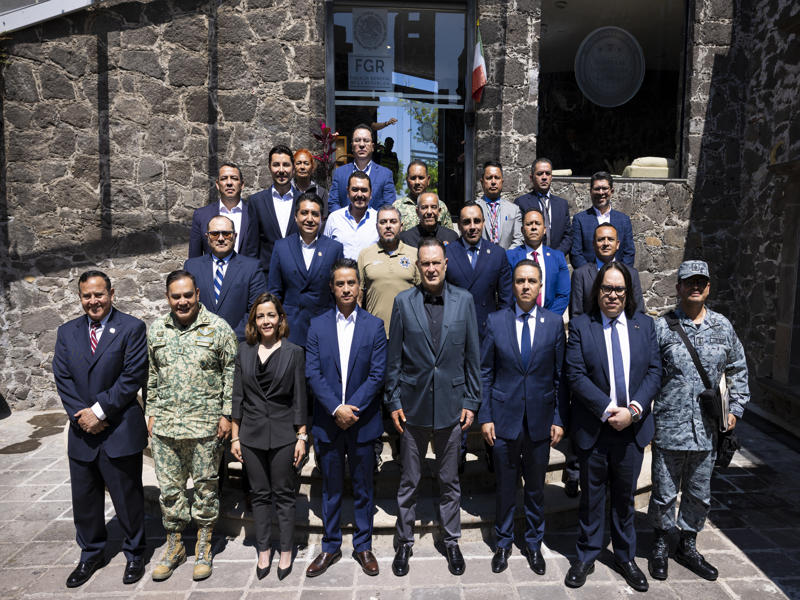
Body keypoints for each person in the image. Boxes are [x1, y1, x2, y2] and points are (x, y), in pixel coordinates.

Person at [647, 261, 749, 582]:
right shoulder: (662, 328)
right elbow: (647, 373)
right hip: (669, 427)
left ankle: (687, 544)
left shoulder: (722, 327)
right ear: (678, 287)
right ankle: (661, 542)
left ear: (708, 288)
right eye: (689, 281)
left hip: (707, 430)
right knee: (663, 492)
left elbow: (738, 368)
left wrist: (735, 409)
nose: (695, 286)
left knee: (698, 493)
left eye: (700, 282)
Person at [385, 238, 481, 577]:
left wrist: (471, 400)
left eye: (436, 262)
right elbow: (394, 358)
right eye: (425, 263)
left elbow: (472, 356)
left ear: (445, 264)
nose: (431, 268)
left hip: (452, 406)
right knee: (409, 480)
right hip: (413, 407)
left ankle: (451, 540)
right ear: (418, 266)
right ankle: (404, 541)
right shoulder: (403, 302)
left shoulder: (464, 300)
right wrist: (393, 400)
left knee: (449, 479)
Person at [564, 262, 661, 592]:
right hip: (595, 427)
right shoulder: (581, 325)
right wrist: (607, 411)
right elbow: (575, 374)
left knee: (624, 498)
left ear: (628, 292)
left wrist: (633, 411)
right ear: (598, 291)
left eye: (619, 289)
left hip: (632, 429)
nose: (613, 295)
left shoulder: (644, 326)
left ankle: (625, 556)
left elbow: (654, 372)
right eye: (607, 288)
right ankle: (587, 555)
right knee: (591, 498)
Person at [52, 270, 148, 588]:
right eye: (87, 296)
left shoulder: (132, 328)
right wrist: (82, 416)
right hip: (82, 431)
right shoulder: (67, 332)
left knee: (127, 497)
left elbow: (132, 376)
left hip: (118, 427)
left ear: (111, 293)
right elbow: (62, 377)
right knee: (85, 499)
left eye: (99, 294)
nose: (93, 301)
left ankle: (135, 553)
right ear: (80, 297)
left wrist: (99, 411)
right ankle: (91, 554)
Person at [146, 270, 238, 582]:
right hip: (166, 428)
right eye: (176, 296)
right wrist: (151, 412)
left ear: (198, 294)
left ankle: (203, 546)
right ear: (167, 297)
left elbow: (231, 374)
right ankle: (174, 547)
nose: (182, 301)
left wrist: (226, 415)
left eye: (188, 295)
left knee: (205, 490)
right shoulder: (157, 330)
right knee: (170, 491)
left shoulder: (219, 329)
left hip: (205, 428)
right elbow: (152, 374)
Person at [479, 259, 568, 575]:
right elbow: (485, 372)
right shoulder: (496, 321)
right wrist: (486, 416)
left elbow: (560, 377)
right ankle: (503, 542)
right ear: (513, 286)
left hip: (540, 421)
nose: (526, 286)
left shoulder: (553, 324)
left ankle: (533, 543)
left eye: (531, 281)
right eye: (520, 281)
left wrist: (558, 418)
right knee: (505, 486)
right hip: (504, 419)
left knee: (535, 489)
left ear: (540, 285)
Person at [305, 259, 388, 578]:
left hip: (362, 421)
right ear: (332, 287)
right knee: (331, 488)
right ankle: (330, 546)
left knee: (364, 486)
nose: (346, 288)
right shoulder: (317, 325)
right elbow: (312, 372)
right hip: (328, 422)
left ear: (359, 287)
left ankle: (363, 546)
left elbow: (377, 374)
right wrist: (334, 408)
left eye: (351, 283)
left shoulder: (374, 326)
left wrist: (351, 408)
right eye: (340, 283)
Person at [230, 293, 308, 581]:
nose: (266, 321)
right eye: (260, 316)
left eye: (271, 315)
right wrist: (235, 437)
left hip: (284, 434)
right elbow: (237, 396)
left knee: (284, 495)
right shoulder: (243, 351)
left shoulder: (294, 352)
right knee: (259, 495)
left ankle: (286, 550)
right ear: (254, 321)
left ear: (280, 319)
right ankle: (264, 549)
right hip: (251, 435)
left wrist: (302, 436)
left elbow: (300, 398)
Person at [445, 200, 513, 472]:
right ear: (459, 225)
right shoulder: (448, 252)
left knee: (489, 394)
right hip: (456, 337)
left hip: (488, 336)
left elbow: (506, 300)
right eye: (466, 222)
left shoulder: (497, 254)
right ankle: (458, 454)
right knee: (458, 397)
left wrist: (502, 335)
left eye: (476, 221)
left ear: (484, 223)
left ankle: (492, 452)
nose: (472, 226)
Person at [267, 193, 344, 347]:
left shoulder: (334, 248)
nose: (309, 219)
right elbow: (275, 292)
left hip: (323, 328)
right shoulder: (281, 247)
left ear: (321, 218)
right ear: (296, 217)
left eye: (315, 214)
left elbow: (338, 292)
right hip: (290, 330)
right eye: (304, 213)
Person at [184, 215, 266, 342]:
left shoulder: (252, 268)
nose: (221, 238)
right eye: (215, 234)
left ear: (235, 236)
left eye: (226, 234)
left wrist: (229, 339)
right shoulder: (192, 267)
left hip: (238, 343)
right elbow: (187, 306)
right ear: (207, 237)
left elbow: (256, 310)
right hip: (198, 343)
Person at [358, 205, 420, 337]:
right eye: (383, 222)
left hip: (407, 333)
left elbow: (422, 294)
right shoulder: (365, 255)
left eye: (393, 221)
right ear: (376, 227)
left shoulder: (415, 254)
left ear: (401, 226)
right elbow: (358, 296)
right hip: (375, 333)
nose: (388, 226)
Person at [241, 145, 299, 276]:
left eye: (286, 165)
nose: (281, 170)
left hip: (297, 277)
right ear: (269, 167)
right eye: (276, 165)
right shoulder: (256, 202)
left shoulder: (303, 201)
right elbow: (252, 246)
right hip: (266, 277)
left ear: (293, 168)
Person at [571, 224, 645, 318]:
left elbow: (638, 312)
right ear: (593, 244)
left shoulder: (631, 274)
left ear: (617, 244)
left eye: (610, 239)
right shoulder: (580, 275)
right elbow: (576, 315)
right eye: (601, 239)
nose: (606, 243)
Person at [507, 208, 570, 316]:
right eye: (529, 224)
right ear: (522, 230)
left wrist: (548, 319)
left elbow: (563, 295)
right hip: (517, 318)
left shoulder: (557, 257)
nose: (534, 227)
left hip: (549, 319)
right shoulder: (510, 257)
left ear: (544, 229)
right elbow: (506, 293)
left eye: (538, 223)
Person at [570, 172, 635, 268]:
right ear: (591, 191)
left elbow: (629, 253)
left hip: (618, 275)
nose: (601, 193)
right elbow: (576, 254)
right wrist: (590, 274)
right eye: (597, 189)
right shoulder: (580, 220)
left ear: (612, 191)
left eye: (604, 188)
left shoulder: (624, 220)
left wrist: (619, 273)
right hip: (590, 275)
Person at [328, 124, 396, 212]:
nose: (362, 144)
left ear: (373, 147)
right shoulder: (340, 173)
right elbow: (333, 202)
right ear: (352, 146)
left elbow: (389, 206)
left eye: (366, 141)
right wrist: (345, 218)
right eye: (357, 140)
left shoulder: (385, 174)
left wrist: (372, 219)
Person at [189, 162, 250, 257]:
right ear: (217, 185)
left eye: (234, 178)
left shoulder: (254, 213)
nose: (229, 183)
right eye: (224, 178)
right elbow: (194, 259)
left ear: (242, 184)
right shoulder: (201, 215)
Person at [514, 158, 572, 256]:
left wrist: (556, 255)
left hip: (556, 258)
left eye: (547, 173)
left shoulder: (562, 204)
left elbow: (568, 236)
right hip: (531, 258)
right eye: (540, 174)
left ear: (551, 177)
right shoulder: (521, 203)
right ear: (531, 177)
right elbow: (519, 235)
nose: (544, 177)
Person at [323, 170, 379, 260]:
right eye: (355, 189)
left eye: (364, 190)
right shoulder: (334, 218)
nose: (359, 194)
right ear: (348, 192)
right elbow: (325, 252)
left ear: (371, 193)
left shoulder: (379, 220)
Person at [393, 160, 454, 231]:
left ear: (428, 180)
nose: (417, 182)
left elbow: (449, 234)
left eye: (421, 178)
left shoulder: (440, 206)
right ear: (407, 180)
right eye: (413, 178)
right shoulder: (397, 207)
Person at [475, 161, 523, 249]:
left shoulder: (514, 210)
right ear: (482, 182)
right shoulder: (473, 208)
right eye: (489, 178)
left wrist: (504, 255)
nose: (493, 182)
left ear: (502, 181)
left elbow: (518, 239)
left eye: (497, 178)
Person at [292, 148, 329, 218]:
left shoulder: (321, 192)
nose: (302, 167)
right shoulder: (288, 190)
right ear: (293, 167)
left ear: (312, 167)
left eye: (306, 163)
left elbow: (324, 218)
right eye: (298, 163)